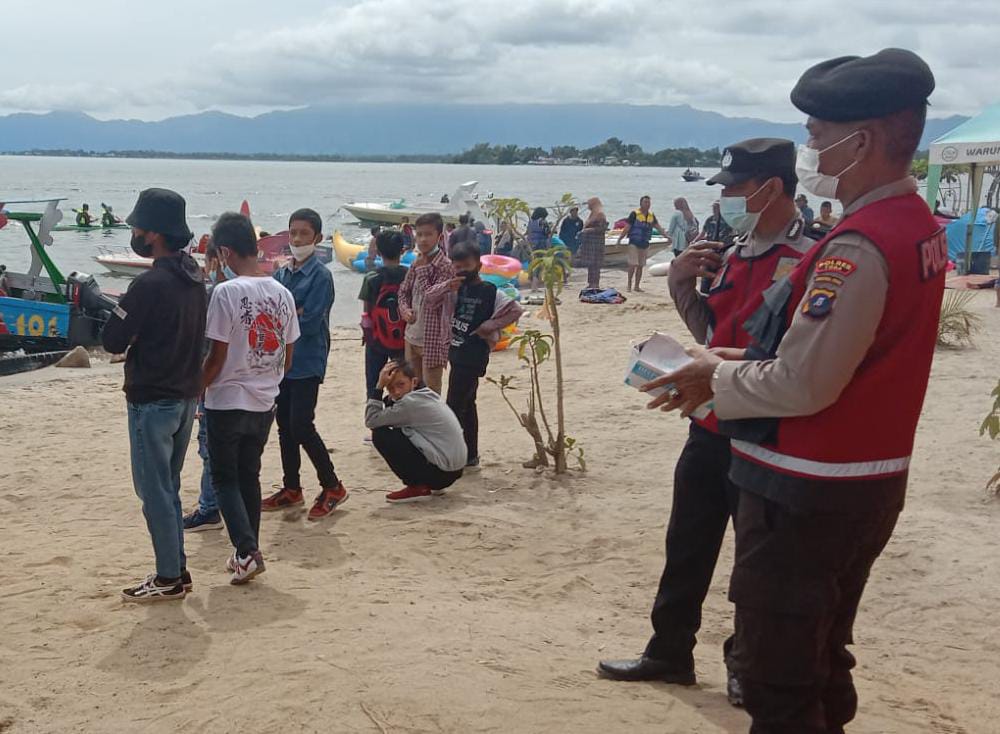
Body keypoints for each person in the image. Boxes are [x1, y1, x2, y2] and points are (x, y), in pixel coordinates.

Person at [643, 48, 941, 734]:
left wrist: (713, 376)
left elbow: (805, 381)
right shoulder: (915, 226)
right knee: (823, 660)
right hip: (868, 477)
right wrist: (724, 356)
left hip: (809, 489)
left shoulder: (856, 244)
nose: (809, 148)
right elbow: (845, 355)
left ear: (859, 140)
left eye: (815, 135)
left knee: (780, 681)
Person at [598, 138, 811, 707]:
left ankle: (747, 665)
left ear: (769, 187)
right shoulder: (732, 254)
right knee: (686, 544)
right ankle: (669, 651)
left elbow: (798, 358)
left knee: (756, 565)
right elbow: (709, 337)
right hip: (708, 424)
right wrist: (679, 285)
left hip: (766, 431)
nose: (728, 199)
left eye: (736, 188)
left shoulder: (809, 259)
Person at [101, 188, 206, 602]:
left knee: (154, 491)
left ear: (155, 235)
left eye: (138, 228)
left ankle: (168, 577)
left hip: (152, 398)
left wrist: (128, 325)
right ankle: (176, 568)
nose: (134, 233)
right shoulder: (194, 278)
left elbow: (113, 339)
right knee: (169, 485)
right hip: (185, 394)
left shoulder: (149, 284)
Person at [202, 212, 300, 584]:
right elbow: (288, 355)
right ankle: (246, 552)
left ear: (224, 252)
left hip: (227, 398)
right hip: (264, 398)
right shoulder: (282, 291)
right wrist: (268, 380)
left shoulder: (225, 293)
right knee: (250, 476)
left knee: (224, 477)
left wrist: (198, 387)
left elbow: (217, 355)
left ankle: (247, 550)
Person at [263, 208, 347, 521]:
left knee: (301, 424)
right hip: (282, 362)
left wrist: (288, 317)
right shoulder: (281, 274)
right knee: (284, 425)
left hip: (308, 360)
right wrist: (290, 314)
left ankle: (332, 485)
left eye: (304, 234)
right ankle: (292, 487)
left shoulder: (321, 276)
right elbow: (272, 314)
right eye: (293, 233)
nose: (297, 239)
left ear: (318, 238)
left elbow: (309, 323)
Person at [445, 241, 524, 469]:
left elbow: (515, 310)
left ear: (478, 265)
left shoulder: (490, 291)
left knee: (454, 404)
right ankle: (471, 455)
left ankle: (454, 456)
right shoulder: (457, 288)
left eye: (466, 265)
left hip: (473, 355)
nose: (462, 270)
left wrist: (489, 326)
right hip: (457, 350)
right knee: (468, 404)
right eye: (457, 266)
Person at [366, 361, 466, 503]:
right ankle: (427, 483)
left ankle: (416, 486)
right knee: (399, 430)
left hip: (442, 473)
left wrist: (379, 387)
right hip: (454, 470)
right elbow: (391, 409)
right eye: (390, 387)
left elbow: (371, 420)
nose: (396, 392)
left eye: (401, 384)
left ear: (413, 382)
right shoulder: (426, 394)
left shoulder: (409, 404)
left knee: (381, 435)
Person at [183, 243, 225, 532]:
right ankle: (215, 504)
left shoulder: (212, 295)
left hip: (214, 382)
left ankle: (210, 507)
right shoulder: (257, 289)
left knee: (211, 447)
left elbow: (206, 346)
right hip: (243, 386)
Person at [399, 212, 455, 394]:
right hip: (411, 336)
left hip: (432, 339)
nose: (422, 239)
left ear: (439, 237)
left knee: (431, 392)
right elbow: (403, 291)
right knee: (411, 388)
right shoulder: (416, 262)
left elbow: (432, 297)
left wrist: (423, 269)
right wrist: (405, 310)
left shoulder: (445, 266)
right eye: (419, 234)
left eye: (428, 234)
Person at [360, 230, 408, 400]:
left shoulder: (372, 277)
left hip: (377, 339)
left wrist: (367, 335)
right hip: (404, 339)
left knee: (374, 383)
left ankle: (375, 419)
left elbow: (366, 314)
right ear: (402, 250)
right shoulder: (409, 276)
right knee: (406, 382)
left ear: (379, 252)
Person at [617, 196, 667, 292]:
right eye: (645, 202)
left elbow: (658, 227)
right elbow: (627, 228)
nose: (647, 204)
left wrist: (667, 237)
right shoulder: (634, 214)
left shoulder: (651, 216)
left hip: (645, 243)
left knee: (640, 265)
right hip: (634, 242)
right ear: (641, 203)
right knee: (632, 264)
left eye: (648, 202)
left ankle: (637, 286)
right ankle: (629, 285)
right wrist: (619, 239)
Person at [578, 197, 608, 290]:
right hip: (590, 243)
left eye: (590, 204)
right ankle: (590, 283)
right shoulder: (592, 214)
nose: (588, 206)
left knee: (595, 264)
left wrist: (588, 230)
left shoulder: (600, 214)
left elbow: (602, 229)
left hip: (596, 243)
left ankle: (595, 283)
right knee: (590, 264)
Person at [526, 207, 551, 292]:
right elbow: (547, 232)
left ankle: (532, 283)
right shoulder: (543, 222)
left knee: (533, 264)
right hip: (541, 245)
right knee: (539, 265)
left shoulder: (531, 222)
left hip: (532, 245)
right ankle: (535, 286)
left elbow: (528, 233)